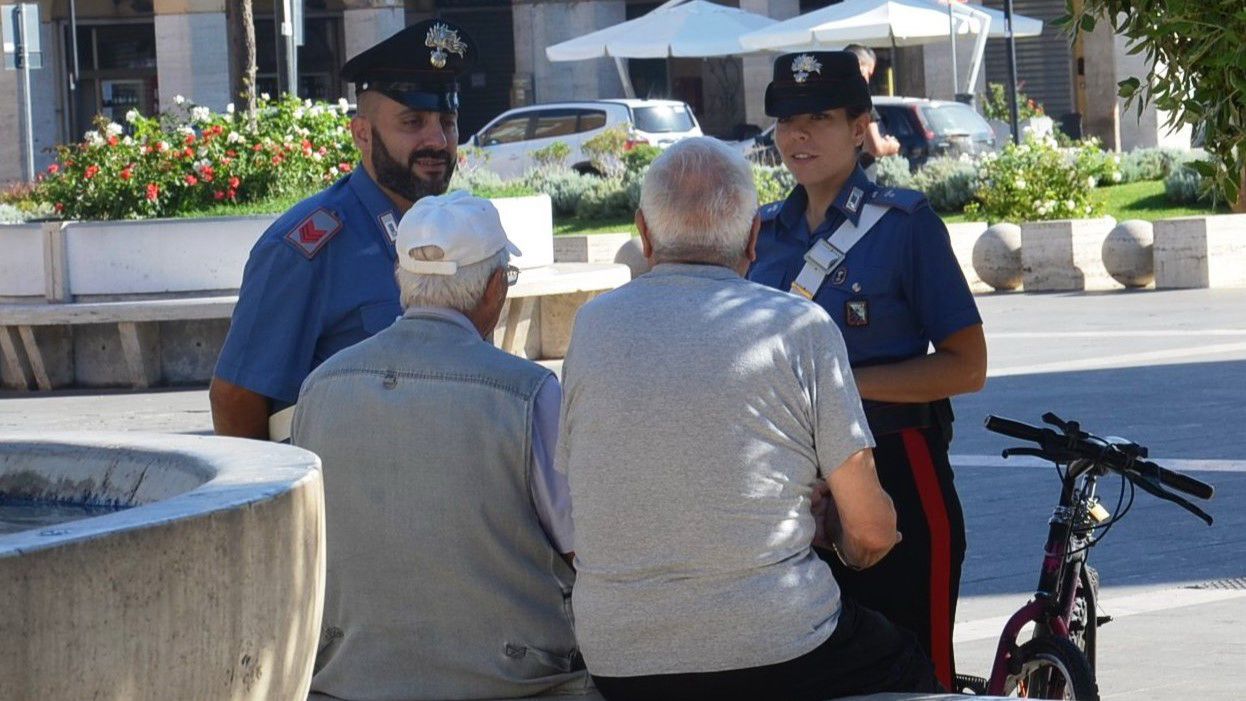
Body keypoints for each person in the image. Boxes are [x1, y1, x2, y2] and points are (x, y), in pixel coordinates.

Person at [556, 137, 941, 700]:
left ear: (643, 232)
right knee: (906, 666)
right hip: (775, 642)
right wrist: (838, 535)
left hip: (619, 652)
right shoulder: (798, 327)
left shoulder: (591, 328)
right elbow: (873, 530)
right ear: (754, 238)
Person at [293, 191, 596, 701]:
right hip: (519, 684)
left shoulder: (320, 387)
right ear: (495, 288)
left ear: (402, 280)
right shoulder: (528, 393)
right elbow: (582, 544)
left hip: (352, 682)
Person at [747, 51, 988, 690]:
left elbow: (968, 367)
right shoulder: (761, 235)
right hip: (790, 485)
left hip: (899, 466)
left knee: (914, 672)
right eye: (787, 120)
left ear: (860, 127)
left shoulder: (906, 226)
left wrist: (840, 391)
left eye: (819, 118)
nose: (798, 135)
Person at [210, 19, 476, 441]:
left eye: (447, 120)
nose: (438, 140)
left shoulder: (457, 231)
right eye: (412, 122)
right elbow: (235, 396)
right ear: (363, 134)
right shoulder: (305, 248)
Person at [844, 44, 901, 169]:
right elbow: (875, 147)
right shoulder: (860, 100)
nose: (868, 80)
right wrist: (891, 146)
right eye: (867, 73)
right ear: (858, 65)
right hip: (858, 175)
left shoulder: (827, 100)